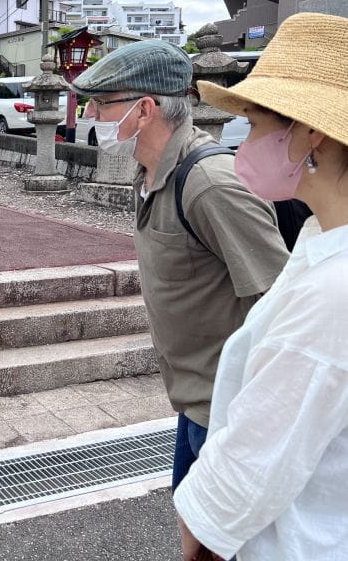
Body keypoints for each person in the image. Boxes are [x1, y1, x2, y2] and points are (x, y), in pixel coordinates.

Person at [71, 41, 289, 491]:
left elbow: (284, 306)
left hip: (231, 413)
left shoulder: (210, 184)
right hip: (196, 403)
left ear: (145, 109)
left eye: (100, 103)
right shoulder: (150, 173)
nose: (90, 116)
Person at [174, 12, 348, 560]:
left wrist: (198, 538)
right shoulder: (321, 240)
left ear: (309, 132)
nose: (240, 145)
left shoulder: (333, 291)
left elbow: (248, 472)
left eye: (252, 125)